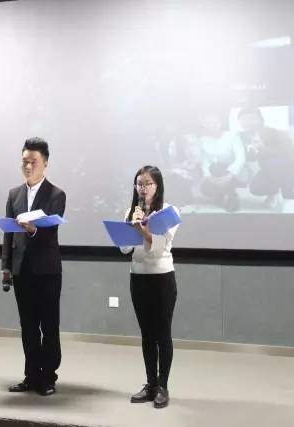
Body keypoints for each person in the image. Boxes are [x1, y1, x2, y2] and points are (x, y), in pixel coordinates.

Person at [1, 137, 66, 396]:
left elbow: (51, 233)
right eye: (24, 162)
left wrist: (32, 229)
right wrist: (6, 266)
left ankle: (48, 376)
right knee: (27, 326)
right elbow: (8, 234)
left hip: (47, 270)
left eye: (33, 162)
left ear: (45, 163)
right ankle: (31, 375)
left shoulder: (56, 194)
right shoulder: (14, 194)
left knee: (49, 326)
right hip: (22, 270)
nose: (28, 167)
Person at [120, 165, 179, 409]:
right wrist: (130, 229)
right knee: (146, 335)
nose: (143, 189)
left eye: (147, 184)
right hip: (138, 278)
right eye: (139, 184)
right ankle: (151, 383)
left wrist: (144, 232)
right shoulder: (130, 212)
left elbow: (162, 246)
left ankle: (163, 386)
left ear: (157, 186)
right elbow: (125, 249)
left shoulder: (168, 212)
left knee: (162, 334)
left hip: (162, 277)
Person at [237, 106, 294, 204]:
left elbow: (287, 154)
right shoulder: (243, 136)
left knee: (279, 166)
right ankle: (275, 191)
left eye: (251, 119)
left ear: (259, 120)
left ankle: (289, 196)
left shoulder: (275, 133)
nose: (247, 122)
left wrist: (263, 148)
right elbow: (251, 157)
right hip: (271, 171)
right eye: (243, 119)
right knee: (255, 188)